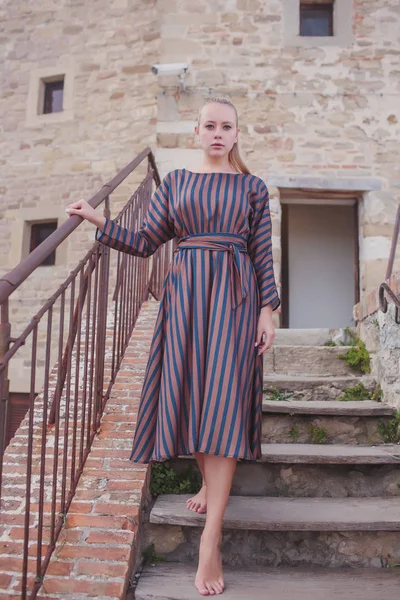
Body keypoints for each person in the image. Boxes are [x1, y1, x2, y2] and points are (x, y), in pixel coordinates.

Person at [65, 96, 280, 596]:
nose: (219, 133)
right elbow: (144, 241)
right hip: (184, 298)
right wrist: (98, 221)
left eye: (227, 126)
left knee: (223, 401)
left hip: (235, 296)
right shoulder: (179, 184)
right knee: (190, 394)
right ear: (197, 132)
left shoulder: (251, 187)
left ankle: (211, 539)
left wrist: (267, 311)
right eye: (210, 125)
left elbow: (262, 252)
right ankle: (206, 482)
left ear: (237, 134)